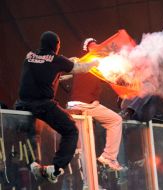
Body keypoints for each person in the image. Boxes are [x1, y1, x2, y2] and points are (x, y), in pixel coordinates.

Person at [14, 31, 99, 183]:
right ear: (56, 45)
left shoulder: (30, 55)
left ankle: (32, 163)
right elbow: (82, 68)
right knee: (71, 130)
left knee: (30, 134)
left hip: (22, 104)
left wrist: (66, 63)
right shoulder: (56, 59)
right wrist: (96, 62)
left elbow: (47, 71)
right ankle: (56, 168)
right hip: (42, 105)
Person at [64, 38, 125, 171]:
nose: (97, 48)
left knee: (83, 149)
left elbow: (112, 79)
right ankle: (108, 157)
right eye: (93, 46)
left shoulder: (85, 64)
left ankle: (87, 182)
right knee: (115, 120)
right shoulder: (88, 62)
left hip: (77, 105)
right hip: (85, 106)